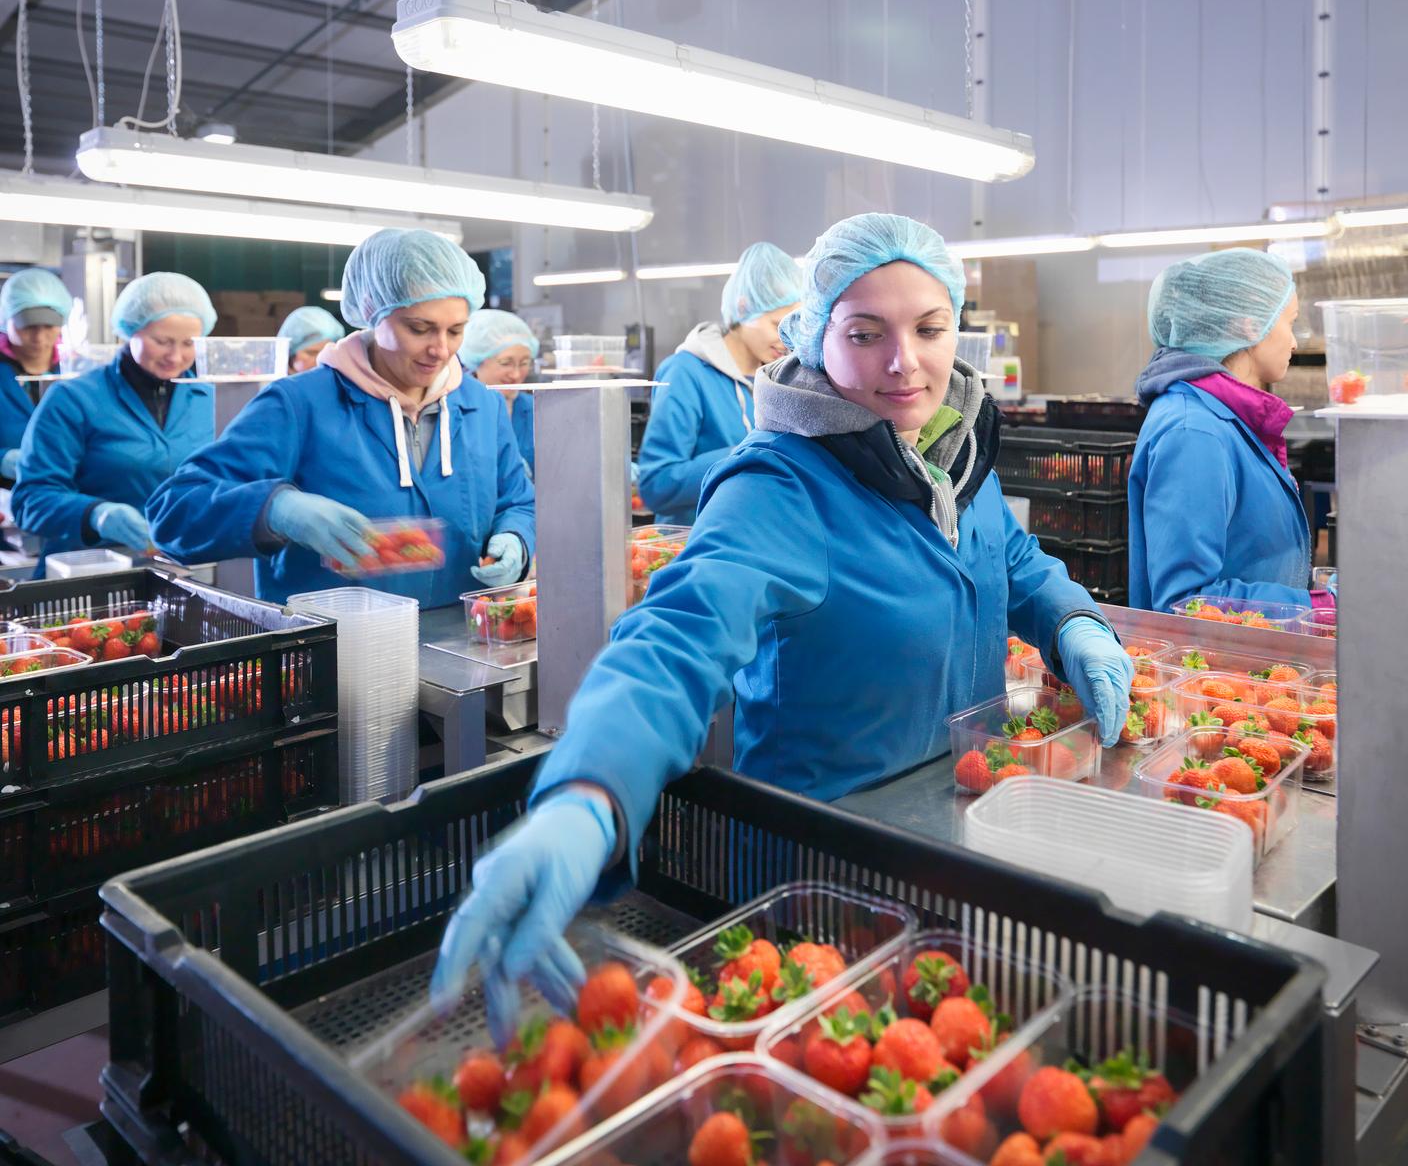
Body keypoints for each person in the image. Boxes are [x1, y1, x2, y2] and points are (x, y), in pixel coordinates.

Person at [430, 213, 1133, 1013]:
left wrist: (1074, 622)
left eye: (930, 328)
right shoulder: (779, 486)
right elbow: (676, 639)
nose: (904, 362)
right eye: (866, 333)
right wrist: (591, 792)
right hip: (817, 872)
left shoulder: (954, 452)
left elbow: (1014, 564)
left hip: (957, 833)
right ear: (812, 337)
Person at [148, 228, 536, 605]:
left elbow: (519, 501)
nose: (440, 349)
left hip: (460, 643)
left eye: (455, 331)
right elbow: (174, 511)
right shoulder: (300, 404)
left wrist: (517, 538)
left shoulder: (480, 406)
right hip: (333, 651)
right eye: (420, 328)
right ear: (371, 312)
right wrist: (276, 510)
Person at [1129, 248, 1330, 615]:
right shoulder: (1194, 432)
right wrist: (1311, 609)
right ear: (1250, 324)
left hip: (1251, 658)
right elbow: (1187, 601)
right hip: (1217, 668)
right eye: (1290, 322)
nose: (1295, 342)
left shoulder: (1223, 419)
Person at [12, 272, 215, 568]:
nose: (176, 356)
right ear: (130, 331)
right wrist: (95, 514)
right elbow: (31, 501)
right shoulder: (74, 398)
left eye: (189, 343)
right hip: (89, 575)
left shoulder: (208, 399)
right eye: (162, 341)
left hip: (183, 570)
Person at [636, 241, 804, 524]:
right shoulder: (686, 373)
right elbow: (657, 485)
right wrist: (746, 454)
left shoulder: (779, 378)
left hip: (756, 539)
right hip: (697, 548)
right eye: (776, 325)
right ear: (743, 308)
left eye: (793, 327)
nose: (786, 339)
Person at [0, 268, 72, 484]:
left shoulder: (75, 371)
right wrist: (2, 459)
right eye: (28, 326)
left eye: (49, 326)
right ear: (6, 318)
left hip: (66, 489)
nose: (39, 337)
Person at [458, 309, 539, 477]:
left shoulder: (535, 409)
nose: (516, 374)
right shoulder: (457, 410)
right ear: (476, 360)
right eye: (505, 363)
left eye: (524, 363)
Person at [278, 305, 346, 373]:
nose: (321, 360)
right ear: (289, 356)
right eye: (312, 353)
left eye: (327, 353)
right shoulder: (272, 382)